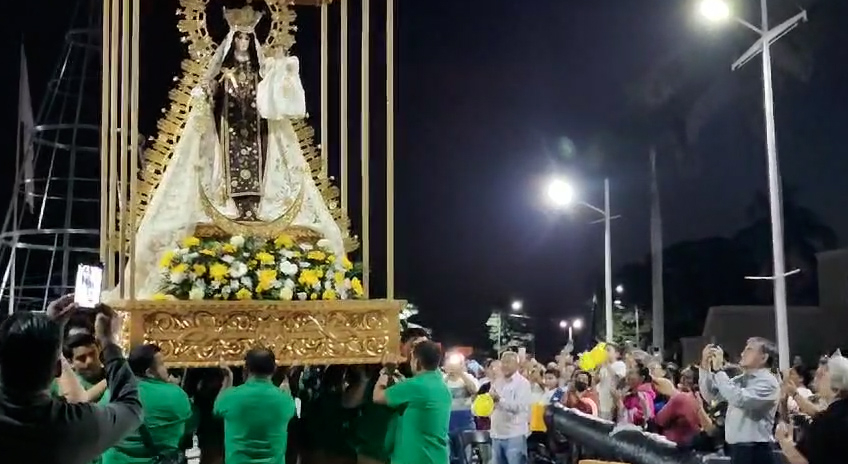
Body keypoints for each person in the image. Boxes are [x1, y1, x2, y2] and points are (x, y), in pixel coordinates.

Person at [115, 4, 345, 299]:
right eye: (238, 38)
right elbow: (210, 100)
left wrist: (278, 78)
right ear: (230, 40)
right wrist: (207, 93)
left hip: (257, 137)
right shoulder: (223, 74)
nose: (243, 44)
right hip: (229, 138)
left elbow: (275, 102)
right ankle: (230, 202)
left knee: (260, 173)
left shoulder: (262, 73)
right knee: (224, 173)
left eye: (247, 39)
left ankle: (253, 207)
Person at [0, 295, 143, 464]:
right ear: (59, 369)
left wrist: (53, 330)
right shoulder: (77, 426)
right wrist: (109, 342)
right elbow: (131, 408)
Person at [103, 344, 193, 464]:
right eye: (162, 364)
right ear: (149, 372)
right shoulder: (176, 395)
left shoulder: (112, 393)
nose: (166, 368)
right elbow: (190, 425)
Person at [699, 339, 780, 464]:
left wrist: (719, 370)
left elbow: (739, 399)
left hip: (755, 451)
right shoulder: (742, 379)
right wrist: (705, 366)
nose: (742, 354)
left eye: (749, 350)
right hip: (739, 450)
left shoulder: (769, 382)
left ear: (764, 358)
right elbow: (712, 395)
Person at [373, 340, 451, 464]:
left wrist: (387, 371)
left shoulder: (415, 386)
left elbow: (377, 397)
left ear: (417, 362)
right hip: (437, 458)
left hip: (415, 458)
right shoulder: (442, 387)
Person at [214, 348, 297, 464]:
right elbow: (290, 410)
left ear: (246, 369)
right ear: (274, 369)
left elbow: (217, 408)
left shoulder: (230, 396)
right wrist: (286, 382)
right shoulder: (284, 399)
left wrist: (228, 378)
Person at [777, 353, 848, 464]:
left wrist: (785, 443)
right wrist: (794, 394)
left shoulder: (825, 424)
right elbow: (820, 414)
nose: (817, 376)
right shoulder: (835, 415)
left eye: (822, 375)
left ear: (837, 387)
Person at [489, 351, 532, 464]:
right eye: (503, 362)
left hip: (514, 435)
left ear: (517, 365)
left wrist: (499, 400)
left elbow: (519, 407)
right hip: (496, 434)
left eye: (508, 362)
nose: (505, 365)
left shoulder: (523, 384)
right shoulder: (497, 382)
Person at [652, 366, 701, 445]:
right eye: (682, 376)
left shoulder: (682, 398)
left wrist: (672, 393)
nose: (682, 380)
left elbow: (659, 420)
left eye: (687, 377)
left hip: (674, 447)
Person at [597, 343, 627, 421]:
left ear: (617, 354)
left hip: (610, 403)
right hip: (600, 402)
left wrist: (607, 365)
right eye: (604, 350)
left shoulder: (620, 364)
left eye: (608, 350)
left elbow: (618, 379)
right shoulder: (603, 367)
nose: (605, 352)